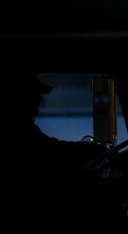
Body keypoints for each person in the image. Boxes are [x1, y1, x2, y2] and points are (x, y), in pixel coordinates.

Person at [0, 71, 107, 230]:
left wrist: (88, 149)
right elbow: (53, 151)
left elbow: (53, 149)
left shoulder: (21, 128)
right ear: (20, 96)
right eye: (34, 94)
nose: (40, 100)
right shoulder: (18, 131)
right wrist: (91, 149)